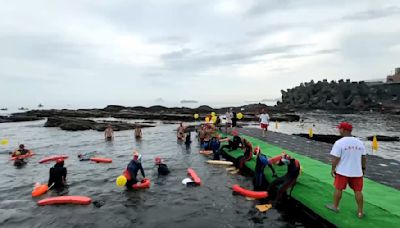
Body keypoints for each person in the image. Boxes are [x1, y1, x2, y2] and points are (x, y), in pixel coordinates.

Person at [325, 122, 366, 218]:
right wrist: (363, 168)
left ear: (343, 130)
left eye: (339, 129)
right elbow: (364, 157)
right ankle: (360, 212)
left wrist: (333, 169)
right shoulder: (359, 142)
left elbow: (335, 158)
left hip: (342, 171)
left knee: (338, 189)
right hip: (357, 172)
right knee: (358, 191)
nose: (338, 130)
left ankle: (335, 206)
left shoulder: (339, 143)